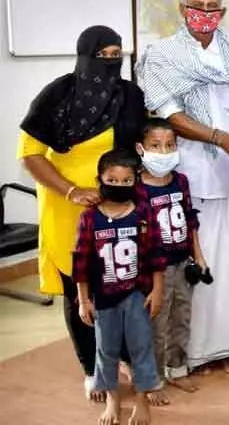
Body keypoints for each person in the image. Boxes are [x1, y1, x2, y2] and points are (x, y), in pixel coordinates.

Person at [136, 0, 229, 372]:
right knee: (196, 262)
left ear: (222, 12)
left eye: (212, 8)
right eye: (196, 6)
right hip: (190, 173)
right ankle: (190, 353)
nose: (204, 14)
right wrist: (218, 136)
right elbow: (168, 113)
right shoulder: (162, 54)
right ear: (182, 9)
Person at [18, 25, 146, 402]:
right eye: (102, 55)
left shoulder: (131, 95)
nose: (110, 63)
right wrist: (72, 191)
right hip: (66, 206)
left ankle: (121, 355)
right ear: (84, 56)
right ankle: (91, 367)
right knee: (80, 293)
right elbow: (31, 155)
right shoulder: (58, 95)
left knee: (122, 285)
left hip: (118, 208)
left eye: (116, 55)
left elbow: (139, 146)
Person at [73, 149, 165, 425]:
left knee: (141, 347)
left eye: (127, 181)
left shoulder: (143, 213)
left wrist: (157, 290)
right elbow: (81, 261)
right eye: (112, 179)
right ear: (100, 178)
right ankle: (112, 399)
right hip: (103, 297)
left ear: (135, 181)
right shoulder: (89, 218)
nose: (120, 186)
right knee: (106, 349)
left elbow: (156, 254)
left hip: (137, 294)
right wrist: (83, 299)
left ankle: (141, 400)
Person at [134, 118, 205, 395]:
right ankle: (153, 379)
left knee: (182, 318)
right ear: (141, 148)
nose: (164, 152)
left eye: (170, 145)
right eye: (156, 146)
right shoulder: (137, 189)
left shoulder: (180, 182)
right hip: (155, 271)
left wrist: (198, 256)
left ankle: (178, 368)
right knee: (156, 324)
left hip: (182, 262)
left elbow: (190, 220)